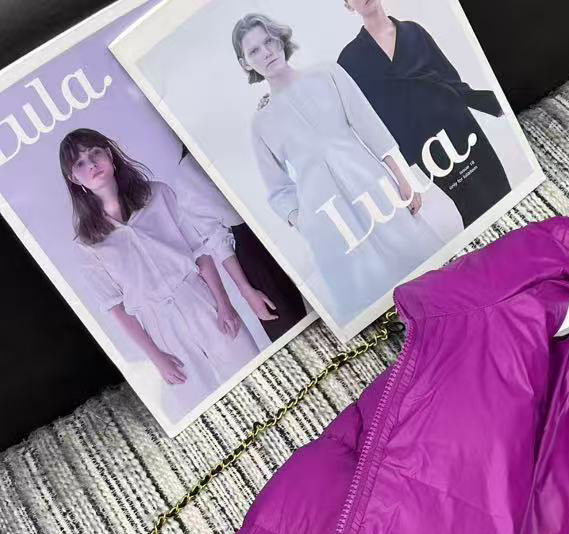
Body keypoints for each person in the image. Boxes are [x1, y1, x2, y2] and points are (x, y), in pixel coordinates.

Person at [232, 12, 437, 318]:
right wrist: (305, 223)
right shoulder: (261, 122)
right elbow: (278, 190)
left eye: (269, 41)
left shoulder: (327, 73)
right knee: (373, 302)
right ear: (246, 63)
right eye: (254, 51)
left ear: (280, 39)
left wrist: (402, 177)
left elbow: (370, 126)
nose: (266, 52)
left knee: (422, 268)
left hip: (373, 188)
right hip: (328, 221)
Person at [59, 127, 259, 418]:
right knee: (206, 410)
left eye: (95, 153)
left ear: (110, 156)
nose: (91, 164)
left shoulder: (158, 194)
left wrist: (224, 304)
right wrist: (156, 357)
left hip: (201, 301)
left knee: (253, 373)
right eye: (79, 163)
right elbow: (116, 308)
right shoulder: (88, 244)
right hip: (162, 329)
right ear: (73, 178)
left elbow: (200, 252)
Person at [337, 0, 512, 227]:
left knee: (500, 188)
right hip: (425, 146)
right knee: (472, 206)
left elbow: (451, 80)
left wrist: (494, 103)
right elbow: (369, 125)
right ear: (348, 5)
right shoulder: (349, 60)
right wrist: (399, 174)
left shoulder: (413, 31)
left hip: (459, 123)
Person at [174, 147, 308, 342]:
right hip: (254, 252)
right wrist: (246, 290)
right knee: (295, 333)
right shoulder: (187, 175)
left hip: (290, 222)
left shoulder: (241, 140)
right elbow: (216, 238)